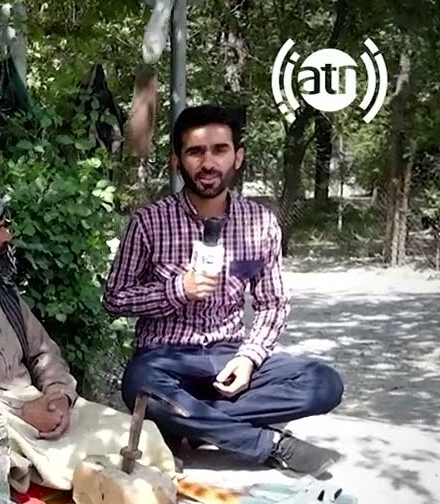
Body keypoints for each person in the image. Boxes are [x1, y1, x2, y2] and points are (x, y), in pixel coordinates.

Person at [103, 104, 344, 476]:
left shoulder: (260, 222)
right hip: (165, 359)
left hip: (229, 355)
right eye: (195, 152)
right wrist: (176, 289)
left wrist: (248, 359)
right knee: (140, 386)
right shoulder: (149, 221)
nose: (208, 163)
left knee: (324, 383)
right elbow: (115, 297)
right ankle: (268, 445)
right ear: (177, 162)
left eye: (219, 150)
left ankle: (188, 419)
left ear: (238, 157)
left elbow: (274, 303)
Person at [0, 183, 176, 491]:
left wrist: (59, 397)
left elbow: (44, 352)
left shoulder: (1, 285)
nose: (7, 237)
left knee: (141, 435)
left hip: (37, 403)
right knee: (75, 464)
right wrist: (21, 412)